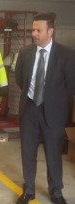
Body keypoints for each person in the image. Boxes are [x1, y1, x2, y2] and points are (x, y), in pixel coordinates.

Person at [15, 13, 75, 204]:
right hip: (30, 109)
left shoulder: (66, 55)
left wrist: (56, 104)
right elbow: (20, 79)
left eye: (38, 30)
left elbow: (71, 86)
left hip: (54, 113)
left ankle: (56, 192)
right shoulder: (25, 53)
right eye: (33, 29)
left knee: (53, 154)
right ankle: (29, 190)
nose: (34, 33)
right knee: (27, 151)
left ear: (50, 31)